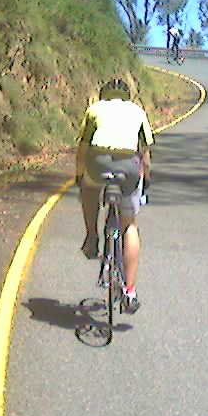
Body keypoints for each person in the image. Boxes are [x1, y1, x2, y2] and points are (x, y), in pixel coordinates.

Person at [75, 78, 154, 313]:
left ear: (104, 94)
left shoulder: (95, 109)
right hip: (129, 164)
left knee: (89, 189)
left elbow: (83, 148)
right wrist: (146, 178)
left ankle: (92, 237)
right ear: (127, 96)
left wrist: (80, 176)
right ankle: (130, 291)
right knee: (129, 226)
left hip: (98, 160)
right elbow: (145, 153)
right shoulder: (137, 111)